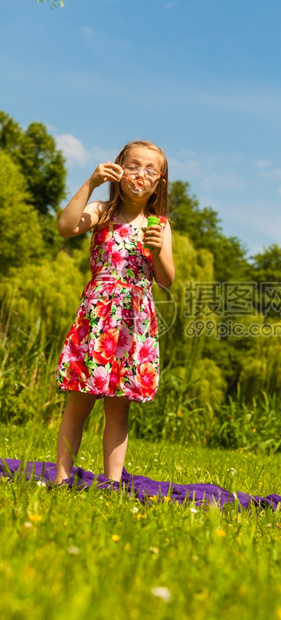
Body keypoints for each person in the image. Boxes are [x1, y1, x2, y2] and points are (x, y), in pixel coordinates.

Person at [54, 139, 174, 484]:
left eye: (149, 169)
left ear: (158, 182)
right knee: (80, 401)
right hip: (98, 315)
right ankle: (61, 480)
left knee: (119, 406)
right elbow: (66, 226)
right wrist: (90, 183)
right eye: (133, 165)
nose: (140, 174)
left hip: (134, 323)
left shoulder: (159, 226)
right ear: (119, 170)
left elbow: (166, 280)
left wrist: (157, 253)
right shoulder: (101, 211)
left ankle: (112, 484)